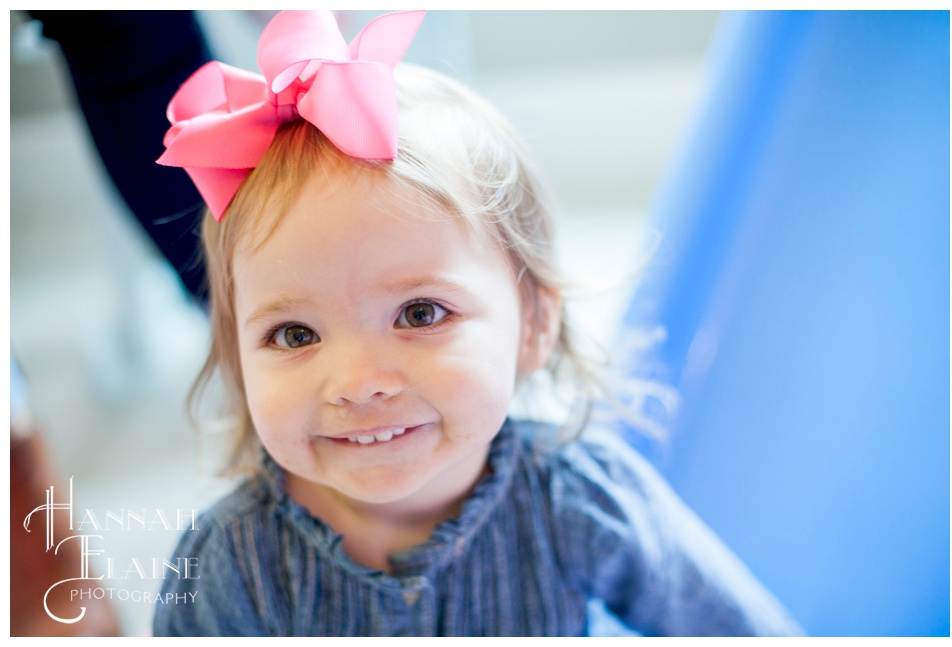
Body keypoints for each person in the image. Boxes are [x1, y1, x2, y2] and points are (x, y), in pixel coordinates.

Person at [151, 10, 802, 636]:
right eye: (295, 334)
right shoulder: (227, 566)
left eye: (419, 313)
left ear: (533, 324)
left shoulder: (579, 505)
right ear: (237, 357)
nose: (357, 382)